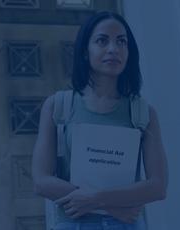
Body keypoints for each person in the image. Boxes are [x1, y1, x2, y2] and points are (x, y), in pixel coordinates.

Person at [32, 11, 168, 230]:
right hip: (73, 225)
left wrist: (97, 200)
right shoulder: (57, 106)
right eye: (102, 40)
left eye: (121, 41)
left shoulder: (143, 113)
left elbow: (158, 186)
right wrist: (112, 206)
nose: (113, 49)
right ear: (85, 51)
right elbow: (41, 181)